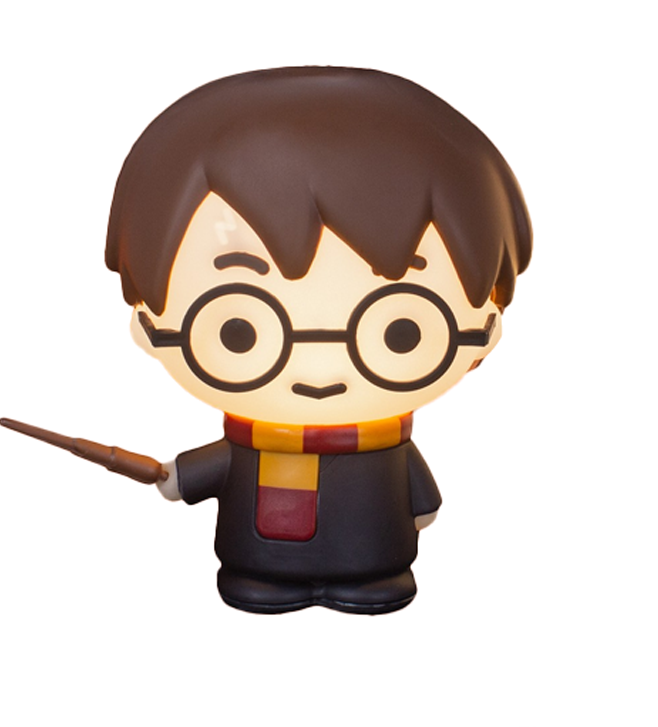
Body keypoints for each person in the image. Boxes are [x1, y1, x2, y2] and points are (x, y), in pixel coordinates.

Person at [105, 67, 532, 613]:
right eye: (240, 331)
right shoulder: (248, 443)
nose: (321, 368)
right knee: (260, 580)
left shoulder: (386, 447)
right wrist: (178, 477)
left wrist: (176, 479)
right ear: (147, 325)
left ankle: (370, 581)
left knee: (373, 578)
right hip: (257, 562)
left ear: (486, 327)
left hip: (374, 560)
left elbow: (423, 502)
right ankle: (271, 581)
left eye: (400, 331)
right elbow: (424, 510)